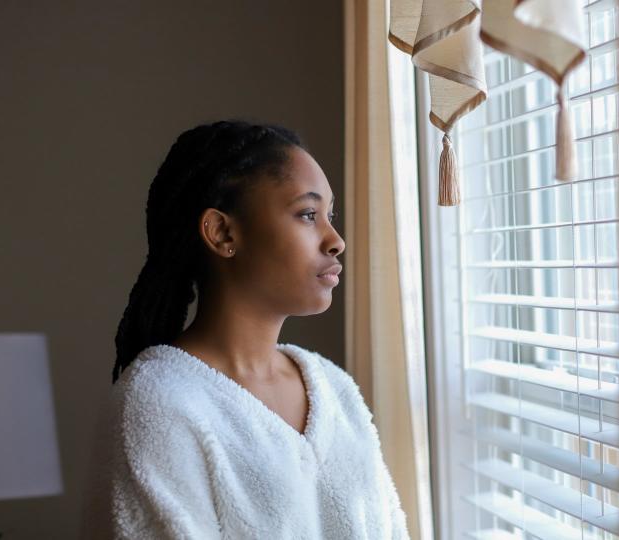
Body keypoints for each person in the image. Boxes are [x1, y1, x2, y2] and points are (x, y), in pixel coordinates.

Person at [79, 120, 410, 539]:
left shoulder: (334, 388)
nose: (335, 240)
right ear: (222, 232)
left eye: (330, 215)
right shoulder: (159, 403)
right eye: (308, 214)